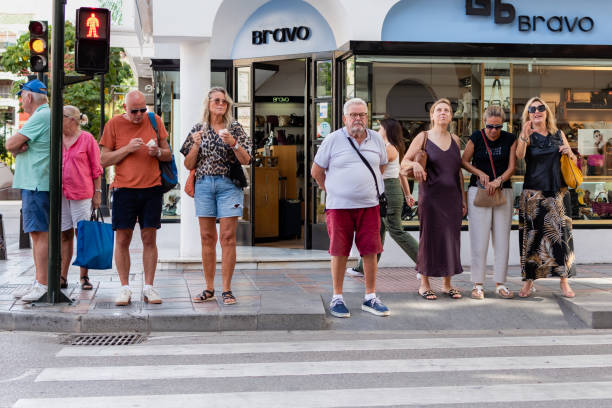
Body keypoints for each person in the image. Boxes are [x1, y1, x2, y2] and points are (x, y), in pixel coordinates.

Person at [311, 97, 390, 318]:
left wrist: (363, 187)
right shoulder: (333, 139)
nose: (358, 119)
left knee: (370, 251)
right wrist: (334, 190)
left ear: (367, 117)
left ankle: (371, 297)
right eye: (353, 115)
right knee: (339, 251)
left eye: (362, 114)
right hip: (339, 207)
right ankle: (337, 297)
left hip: (369, 206)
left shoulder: (376, 140)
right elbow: (316, 172)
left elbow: (381, 167)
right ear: (345, 118)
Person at [100, 90, 172, 306]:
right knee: (122, 239)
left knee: (149, 238)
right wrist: (127, 149)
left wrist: (157, 152)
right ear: (125, 108)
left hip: (152, 188)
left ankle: (149, 286)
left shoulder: (154, 120)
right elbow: (103, 160)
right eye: (134, 111)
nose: (139, 114)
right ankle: (124, 288)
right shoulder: (113, 124)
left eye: (143, 110)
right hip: (124, 189)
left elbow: (168, 153)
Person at [180, 87, 251, 305]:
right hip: (203, 185)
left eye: (224, 101)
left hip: (229, 185)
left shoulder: (235, 128)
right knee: (207, 237)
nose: (220, 104)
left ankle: (227, 289)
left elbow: (246, 159)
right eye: (216, 100)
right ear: (208, 103)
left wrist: (233, 143)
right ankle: (209, 288)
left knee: (228, 237)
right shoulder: (198, 129)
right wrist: (196, 145)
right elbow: (188, 164)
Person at [400, 98, 466, 300]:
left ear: (451, 116)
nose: (443, 113)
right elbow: (403, 164)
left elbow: (458, 172)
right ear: (432, 115)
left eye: (446, 110)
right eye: (439, 110)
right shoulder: (424, 137)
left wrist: (462, 198)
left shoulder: (455, 139)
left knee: (451, 239)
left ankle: (447, 284)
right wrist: (416, 165)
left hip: (452, 197)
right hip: (430, 197)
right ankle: (424, 284)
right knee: (428, 238)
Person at [516, 97, 576, 298]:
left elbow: (573, 160)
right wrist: (524, 135)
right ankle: (528, 283)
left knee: (559, 239)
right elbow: (519, 156)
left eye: (541, 108)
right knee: (532, 241)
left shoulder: (558, 134)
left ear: (547, 112)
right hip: (533, 194)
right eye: (532, 109)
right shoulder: (527, 134)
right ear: (528, 114)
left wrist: (570, 152)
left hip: (555, 193)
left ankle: (564, 282)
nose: (537, 111)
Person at [348, 117, 417, 276]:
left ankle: (424, 264)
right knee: (377, 231)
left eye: (380, 128)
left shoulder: (389, 148)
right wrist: (407, 194)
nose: (378, 130)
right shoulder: (391, 147)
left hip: (388, 191)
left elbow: (377, 173)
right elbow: (400, 173)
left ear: (387, 130)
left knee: (396, 231)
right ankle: (363, 268)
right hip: (387, 191)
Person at [461, 105, 516, 300]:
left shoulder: (509, 138)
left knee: (502, 239)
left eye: (498, 127)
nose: (493, 131)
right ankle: (478, 284)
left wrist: (499, 180)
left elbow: (512, 166)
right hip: (479, 191)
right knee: (479, 239)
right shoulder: (476, 137)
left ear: (503, 125)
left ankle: (501, 283)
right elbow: (465, 161)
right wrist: (480, 173)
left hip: (503, 191)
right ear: (484, 123)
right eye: (490, 126)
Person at [6, 79, 50, 302]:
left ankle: (42, 283)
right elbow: (15, 147)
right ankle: (39, 281)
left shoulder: (40, 116)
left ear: (29, 96)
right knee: (37, 233)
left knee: (40, 234)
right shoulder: (45, 115)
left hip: (36, 182)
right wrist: (18, 148)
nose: (21, 100)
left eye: (22, 95)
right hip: (37, 182)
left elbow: (10, 144)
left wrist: (17, 148)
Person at [60, 105, 103, 290]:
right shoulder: (56, 138)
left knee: (82, 235)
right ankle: (62, 276)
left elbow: (96, 169)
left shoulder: (87, 139)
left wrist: (97, 193)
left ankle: (84, 276)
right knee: (64, 235)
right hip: (61, 194)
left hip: (81, 194)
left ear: (71, 119)